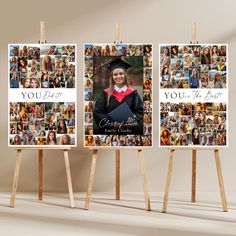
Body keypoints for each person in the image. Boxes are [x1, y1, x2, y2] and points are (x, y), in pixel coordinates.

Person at [93, 58, 143, 134]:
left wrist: (130, 121)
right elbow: (98, 112)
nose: (118, 76)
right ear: (112, 77)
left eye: (121, 73)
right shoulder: (106, 93)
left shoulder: (133, 93)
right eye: (115, 74)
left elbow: (140, 111)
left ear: (125, 75)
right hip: (110, 131)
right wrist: (112, 124)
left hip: (128, 131)